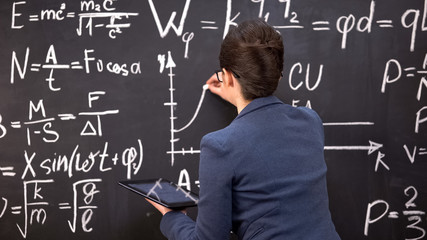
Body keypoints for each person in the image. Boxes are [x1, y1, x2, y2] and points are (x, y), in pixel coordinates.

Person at [147, 19, 341, 240]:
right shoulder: (310, 121)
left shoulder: (220, 146)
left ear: (227, 76)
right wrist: (237, 92)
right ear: (278, 74)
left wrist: (171, 217)